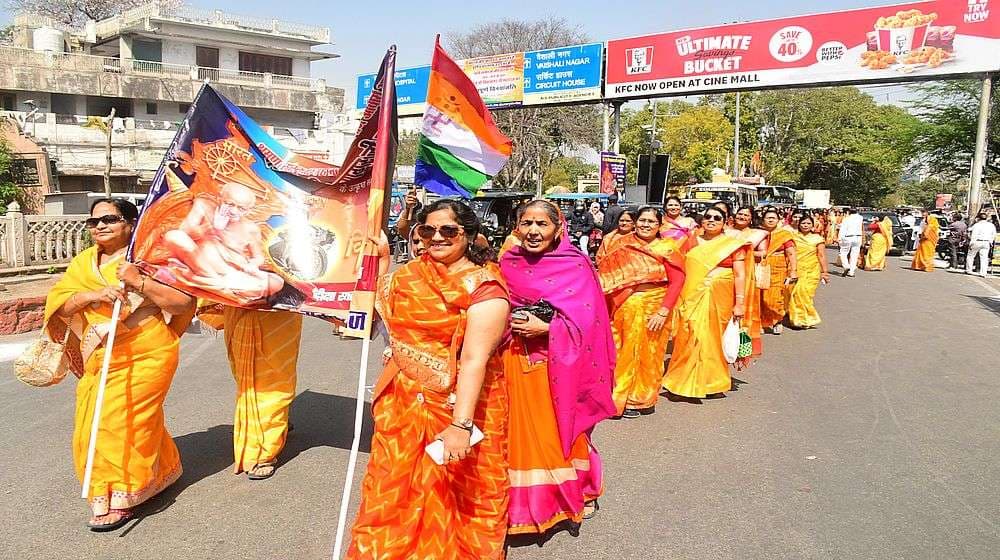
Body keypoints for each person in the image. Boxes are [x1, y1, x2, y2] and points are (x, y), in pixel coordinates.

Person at [348, 199, 510, 559]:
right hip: (402, 403)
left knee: (456, 490)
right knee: (393, 483)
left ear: (468, 235)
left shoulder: (486, 290)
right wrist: (382, 264)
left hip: (459, 404)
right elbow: (377, 324)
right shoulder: (407, 277)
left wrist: (461, 425)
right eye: (428, 230)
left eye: (448, 230)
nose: (437, 237)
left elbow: (473, 360)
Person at [42, 198, 195, 531]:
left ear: (130, 223)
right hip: (102, 353)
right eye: (94, 221)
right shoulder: (83, 264)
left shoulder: (149, 259)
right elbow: (60, 305)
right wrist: (90, 297)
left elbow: (184, 302)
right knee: (94, 421)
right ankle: (156, 472)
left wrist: (138, 280)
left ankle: (123, 495)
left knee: (122, 420)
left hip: (148, 352)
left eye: (110, 219)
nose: (100, 226)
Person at [500, 200, 617, 533]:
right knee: (518, 434)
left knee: (561, 431)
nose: (534, 231)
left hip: (560, 366)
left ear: (557, 229)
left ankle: (576, 493)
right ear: (517, 227)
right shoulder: (508, 262)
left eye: (542, 224)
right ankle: (521, 505)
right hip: (513, 360)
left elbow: (592, 323)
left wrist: (548, 329)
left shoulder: (575, 265)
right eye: (526, 224)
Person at [597, 207, 685, 417]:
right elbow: (608, 276)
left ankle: (640, 400)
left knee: (650, 352)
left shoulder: (668, 248)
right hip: (623, 305)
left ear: (659, 225)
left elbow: (677, 280)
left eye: (651, 222)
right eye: (642, 220)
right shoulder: (622, 244)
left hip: (655, 307)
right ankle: (617, 398)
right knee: (622, 351)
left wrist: (663, 311)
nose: (646, 225)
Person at [663, 206, 750, 399]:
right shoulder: (691, 240)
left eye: (717, 218)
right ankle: (681, 382)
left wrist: (740, 303)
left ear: (725, 221)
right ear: (702, 221)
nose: (711, 220)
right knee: (689, 333)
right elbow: (678, 266)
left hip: (721, 296)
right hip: (691, 294)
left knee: (712, 337)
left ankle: (712, 382)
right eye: (708, 217)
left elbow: (740, 275)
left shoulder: (733, 244)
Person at [161, 182, 284, 301]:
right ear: (219, 198)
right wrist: (206, 229)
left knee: (277, 282)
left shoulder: (251, 228)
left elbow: (258, 257)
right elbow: (183, 231)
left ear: (248, 210)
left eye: (241, 208)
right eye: (229, 204)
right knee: (173, 236)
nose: (234, 211)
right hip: (198, 261)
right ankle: (214, 282)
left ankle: (204, 281)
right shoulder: (203, 206)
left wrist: (251, 265)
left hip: (230, 272)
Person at [217, 308, 302, 480]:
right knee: (249, 377)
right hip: (241, 303)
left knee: (275, 379)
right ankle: (271, 424)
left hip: (280, 309)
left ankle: (263, 451)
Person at [730, 206, 768, 356]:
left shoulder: (757, 234)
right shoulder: (725, 231)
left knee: (742, 305)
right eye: (740, 214)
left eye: (746, 215)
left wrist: (745, 250)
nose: (743, 217)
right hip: (725, 273)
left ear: (751, 219)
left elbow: (763, 253)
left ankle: (739, 345)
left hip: (745, 274)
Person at [758, 207, 798, 335]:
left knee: (774, 297)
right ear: (763, 220)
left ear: (778, 220)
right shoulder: (758, 233)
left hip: (778, 268)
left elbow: (791, 253)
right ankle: (763, 322)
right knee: (761, 297)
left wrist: (793, 270)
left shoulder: (784, 235)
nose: (770, 220)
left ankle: (777, 320)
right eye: (768, 218)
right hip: (761, 267)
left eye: (773, 218)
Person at [786, 215, 830, 329]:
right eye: (803, 223)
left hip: (812, 270)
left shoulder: (817, 238)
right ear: (799, 224)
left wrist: (824, 272)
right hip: (795, 269)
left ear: (812, 225)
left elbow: (821, 255)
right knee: (795, 293)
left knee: (805, 294)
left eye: (808, 224)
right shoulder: (793, 237)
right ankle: (798, 319)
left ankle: (806, 318)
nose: (805, 225)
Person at [967, 212, 997, 277]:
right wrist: (990, 241)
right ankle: (983, 272)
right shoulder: (991, 225)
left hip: (977, 241)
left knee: (970, 256)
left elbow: (973, 234)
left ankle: (969, 270)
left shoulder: (977, 225)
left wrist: (971, 243)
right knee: (984, 258)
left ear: (978, 218)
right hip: (986, 242)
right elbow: (994, 235)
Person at [837, 208, 864, 277]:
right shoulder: (860, 218)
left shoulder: (846, 219)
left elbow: (843, 229)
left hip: (848, 237)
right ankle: (852, 272)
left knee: (843, 253)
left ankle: (846, 266)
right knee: (854, 255)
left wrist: (839, 238)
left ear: (849, 212)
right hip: (858, 237)